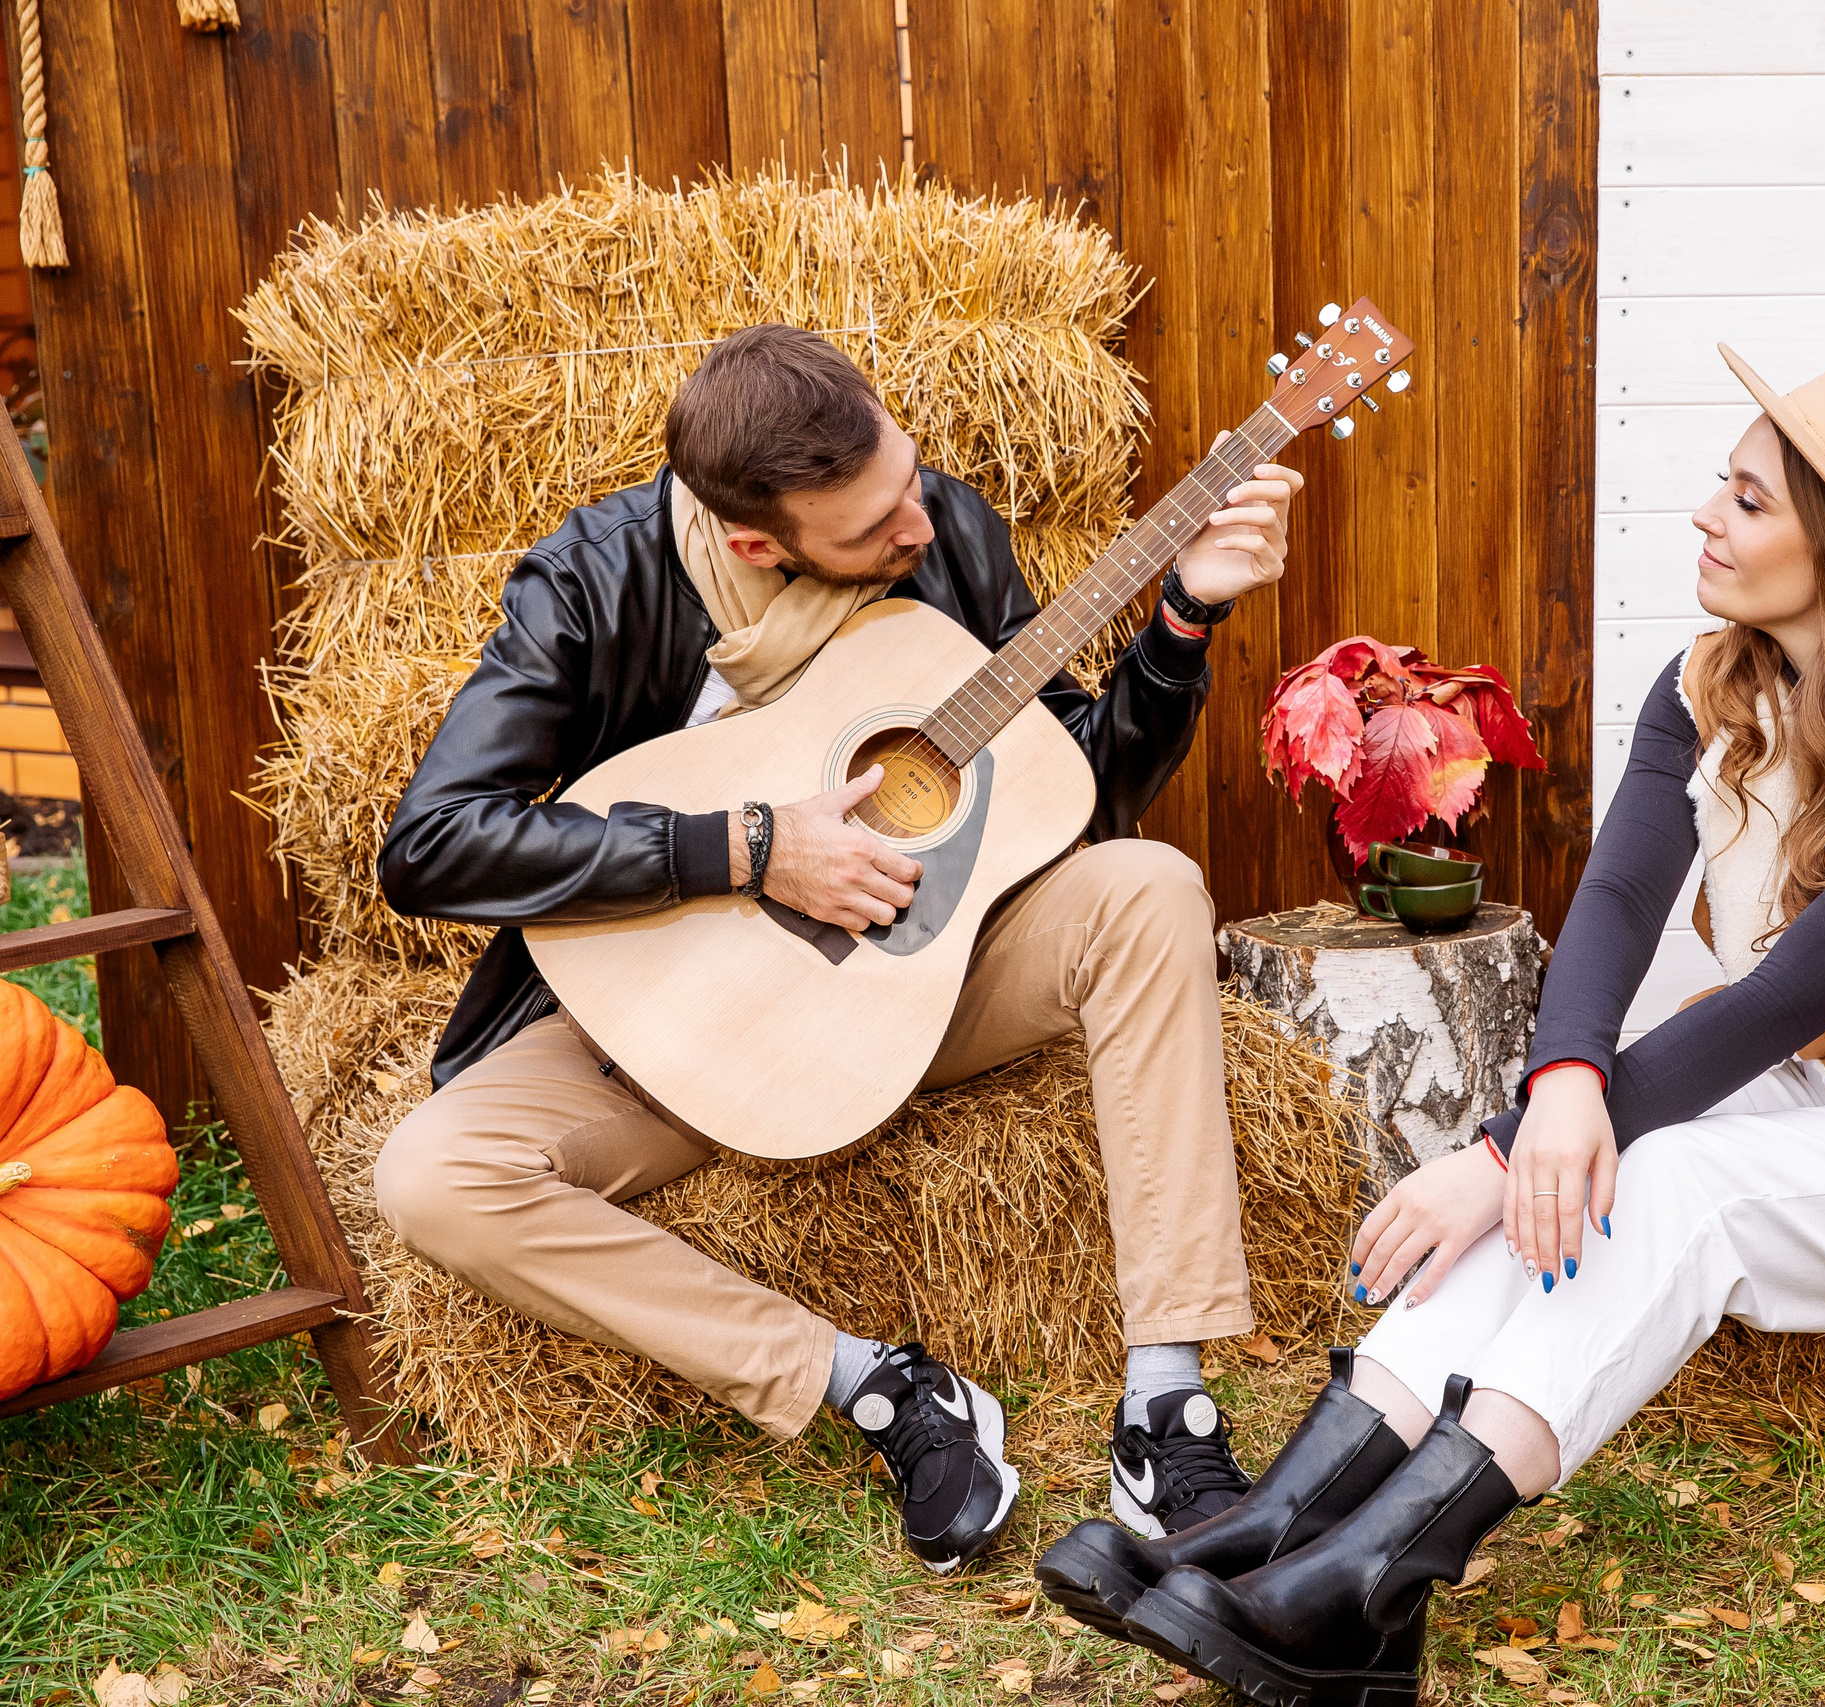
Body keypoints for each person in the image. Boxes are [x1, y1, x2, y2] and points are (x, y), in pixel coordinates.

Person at [1040, 340, 1825, 1701]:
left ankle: (1370, 1583)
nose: (1705, 513)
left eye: (1749, 500)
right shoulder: (1718, 682)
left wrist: (1507, 1143)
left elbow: (1789, 993)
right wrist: (1555, 1094)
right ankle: (1275, 1528)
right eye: (1723, 483)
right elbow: (1623, 895)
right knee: (1569, 1149)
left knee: (1661, 1175)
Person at [370, 325, 1305, 1571]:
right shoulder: (593, 584)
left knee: (1149, 886)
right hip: (676, 1022)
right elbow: (432, 846)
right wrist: (747, 848)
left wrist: (1184, 616)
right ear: (755, 543)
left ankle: (1165, 1407)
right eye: (871, 529)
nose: (916, 525)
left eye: (908, 481)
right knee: (431, 1177)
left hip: (923, 986)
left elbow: (1075, 784)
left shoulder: (942, 528)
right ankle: (872, 1386)